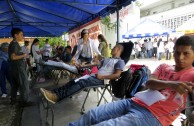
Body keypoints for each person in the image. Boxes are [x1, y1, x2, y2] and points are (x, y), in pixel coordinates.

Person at [65, 35, 194, 126]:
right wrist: (172, 84)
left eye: (186, 53)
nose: (180, 57)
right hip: (134, 101)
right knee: (92, 114)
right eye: (177, 52)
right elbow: (149, 83)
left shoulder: (191, 75)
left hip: (155, 115)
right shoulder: (164, 66)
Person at [40, 44, 125, 104]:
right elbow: (95, 64)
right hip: (95, 76)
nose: (112, 48)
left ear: (118, 50)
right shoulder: (107, 59)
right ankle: (53, 92)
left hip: (103, 80)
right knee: (74, 81)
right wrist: (82, 66)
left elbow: (117, 75)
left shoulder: (120, 61)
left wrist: (102, 76)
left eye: (114, 47)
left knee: (82, 83)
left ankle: (57, 97)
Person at [8, 28, 34, 106]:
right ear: (15, 35)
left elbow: (14, 55)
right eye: (21, 34)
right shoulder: (14, 44)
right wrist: (24, 55)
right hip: (18, 68)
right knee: (24, 83)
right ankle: (25, 101)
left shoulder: (13, 43)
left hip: (14, 67)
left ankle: (13, 99)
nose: (22, 36)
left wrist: (21, 54)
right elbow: (13, 57)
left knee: (15, 85)